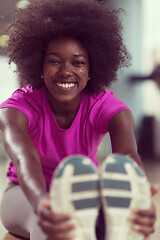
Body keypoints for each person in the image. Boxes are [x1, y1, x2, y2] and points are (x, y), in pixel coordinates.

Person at [0, 0, 158, 239]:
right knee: (53, 225)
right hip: (25, 193)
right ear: (39, 66)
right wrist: (44, 203)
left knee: (98, 220)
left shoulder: (107, 107)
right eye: (54, 61)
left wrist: (141, 196)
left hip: (83, 193)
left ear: (91, 69)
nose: (66, 71)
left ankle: (107, 227)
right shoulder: (18, 108)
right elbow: (24, 159)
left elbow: (127, 156)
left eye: (78, 62)